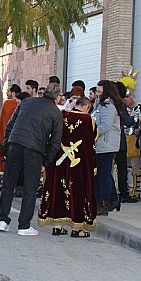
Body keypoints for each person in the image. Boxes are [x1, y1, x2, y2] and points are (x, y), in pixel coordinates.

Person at [0, 82, 63, 236]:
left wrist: (8, 144)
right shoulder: (56, 113)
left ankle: (3, 220)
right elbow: (55, 141)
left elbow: (10, 124)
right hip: (34, 150)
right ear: (57, 98)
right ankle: (24, 225)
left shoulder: (27, 102)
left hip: (15, 144)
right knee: (30, 188)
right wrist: (46, 163)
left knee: (8, 183)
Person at [38, 100, 97, 237]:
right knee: (77, 193)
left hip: (58, 164)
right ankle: (77, 229)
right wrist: (92, 166)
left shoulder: (61, 115)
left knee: (57, 191)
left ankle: (57, 227)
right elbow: (90, 144)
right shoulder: (87, 119)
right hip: (78, 166)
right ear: (86, 107)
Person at [92, 80, 123, 215]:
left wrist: (90, 132)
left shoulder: (109, 106)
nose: (97, 94)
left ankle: (103, 203)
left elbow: (105, 126)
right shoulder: (99, 104)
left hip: (106, 145)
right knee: (101, 174)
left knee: (103, 175)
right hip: (99, 145)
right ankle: (112, 199)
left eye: (99, 91)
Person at [0, 84, 20, 191]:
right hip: (17, 137)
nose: (7, 93)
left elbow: (3, 122)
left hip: (5, 135)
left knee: (4, 159)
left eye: (8, 91)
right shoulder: (21, 104)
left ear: (13, 93)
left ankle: (3, 183)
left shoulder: (8, 103)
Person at [123, 91, 141, 200]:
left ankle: (136, 189)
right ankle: (124, 188)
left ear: (131, 96)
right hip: (124, 138)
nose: (125, 99)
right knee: (122, 165)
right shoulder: (123, 109)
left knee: (135, 164)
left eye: (127, 97)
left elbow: (140, 122)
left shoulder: (139, 108)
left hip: (134, 138)